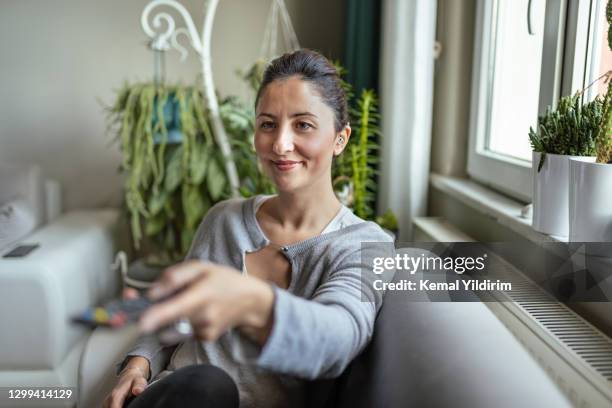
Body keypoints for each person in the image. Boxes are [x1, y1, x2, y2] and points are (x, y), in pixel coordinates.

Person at [104, 49, 394, 408]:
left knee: (212, 385)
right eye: (268, 124)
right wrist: (137, 364)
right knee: (205, 386)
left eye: (303, 124)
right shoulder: (223, 219)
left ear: (340, 139)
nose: (280, 144)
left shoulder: (366, 244)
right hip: (177, 396)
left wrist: (250, 303)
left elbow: (338, 339)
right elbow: (174, 315)